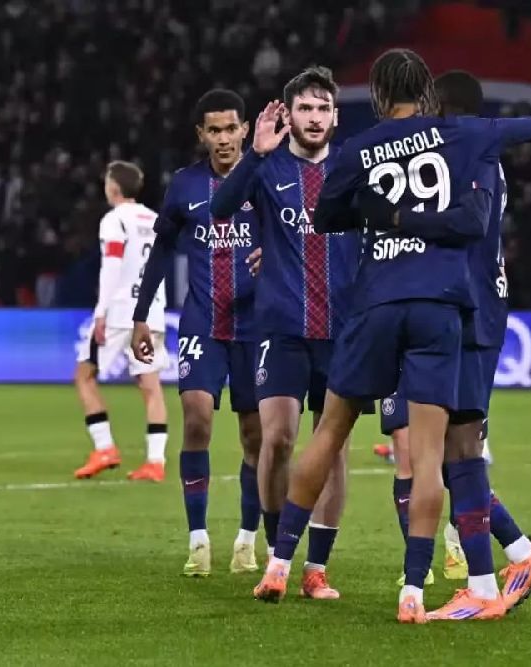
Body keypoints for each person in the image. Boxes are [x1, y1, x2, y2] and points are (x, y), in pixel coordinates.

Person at [251, 48, 531, 623]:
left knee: (330, 431)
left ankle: (280, 563)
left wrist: (380, 215)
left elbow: (328, 215)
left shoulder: (360, 147)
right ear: (429, 93)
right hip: (442, 304)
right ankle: (416, 590)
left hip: (378, 300)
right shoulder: (459, 138)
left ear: (381, 95)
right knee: (433, 453)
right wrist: (471, 131)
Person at [210, 67, 362, 600]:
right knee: (276, 439)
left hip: (342, 331)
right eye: (306, 109)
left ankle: (316, 568)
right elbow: (220, 208)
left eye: (323, 109)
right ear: (289, 115)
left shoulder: (353, 168)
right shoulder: (268, 165)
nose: (315, 118)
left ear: (335, 117)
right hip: (280, 325)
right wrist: (253, 151)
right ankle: (279, 555)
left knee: (334, 447)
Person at [131, 90, 263, 577]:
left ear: (245, 129)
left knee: (255, 436)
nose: (224, 138)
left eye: (232, 128)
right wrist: (141, 314)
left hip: (256, 326)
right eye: (215, 130)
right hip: (202, 322)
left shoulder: (265, 177)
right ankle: (198, 539)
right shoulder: (185, 185)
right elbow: (162, 250)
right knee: (197, 418)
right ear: (201, 135)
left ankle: (247, 541)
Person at [72, 161, 169, 482]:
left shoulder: (114, 220)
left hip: (120, 312)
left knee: (85, 376)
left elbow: (111, 267)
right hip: (152, 311)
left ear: (113, 187)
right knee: (151, 386)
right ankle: (156, 462)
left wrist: (101, 312)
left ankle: (105, 448)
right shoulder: (155, 220)